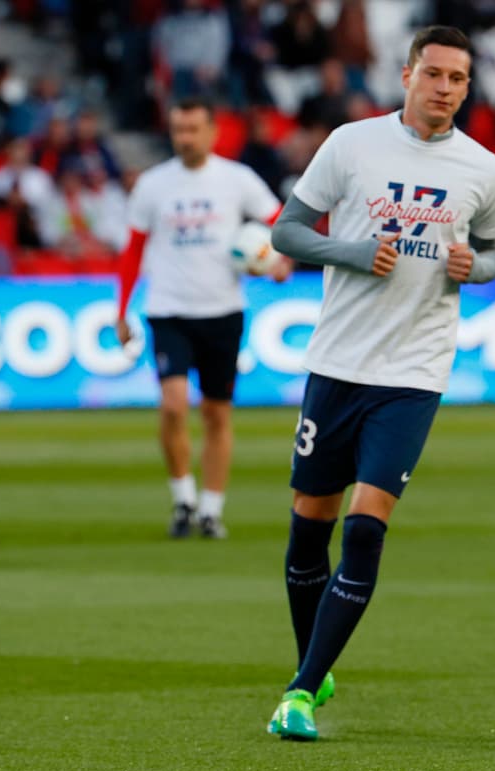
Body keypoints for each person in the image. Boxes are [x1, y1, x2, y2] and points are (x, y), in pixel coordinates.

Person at [264, 25, 495, 741]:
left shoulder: (484, 169)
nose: (444, 88)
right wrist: (351, 250)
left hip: (413, 373)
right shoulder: (351, 144)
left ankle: (302, 690)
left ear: (467, 87)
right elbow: (286, 232)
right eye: (432, 73)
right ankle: (316, 657)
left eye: (457, 79)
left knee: (364, 528)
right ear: (406, 75)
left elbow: (493, 251)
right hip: (338, 363)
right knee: (308, 532)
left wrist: (478, 267)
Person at [115, 97, 290, 540]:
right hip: (169, 309)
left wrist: (282, 258)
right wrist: (121, 310)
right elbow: (133, 249)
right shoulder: (154, 185)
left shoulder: (237, 179)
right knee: (173, 405)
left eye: (193, 129)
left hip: (223, 310)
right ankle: (182, 499)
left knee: (216, 412)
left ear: (213, 132)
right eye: (178, 130)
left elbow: (279, 221)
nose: (185, 138)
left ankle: (211, 509)